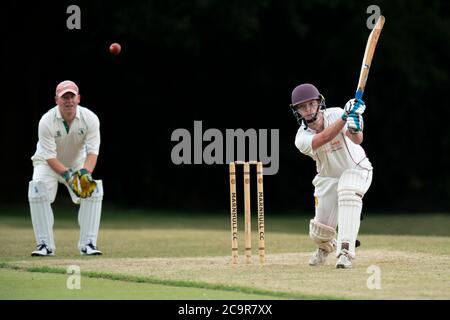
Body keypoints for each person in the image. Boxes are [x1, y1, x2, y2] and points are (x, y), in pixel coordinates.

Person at [290, 83, 373, 269]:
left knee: (348, 190)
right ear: (297, 111)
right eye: (303, 107)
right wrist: (345, 117)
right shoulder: (301, 138)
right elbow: (324, 138)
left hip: (357, 169)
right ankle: (325, 247)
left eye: (312, 103)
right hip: (327, 178)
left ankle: (345, 253)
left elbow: (358, 139)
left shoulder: (336, 114)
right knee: (319, 233)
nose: (309, 109)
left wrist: (354, 124)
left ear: (320, 103)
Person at [28, 80, 103, 256]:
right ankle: (45, 245)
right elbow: (49, 156)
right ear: (57, 100)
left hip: (77, 162)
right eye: (64, 97)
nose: (68, 101)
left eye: (71, 96)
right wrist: (67, 175)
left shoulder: (90, 118)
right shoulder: (46, 121)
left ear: (78, 99)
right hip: (47, 163)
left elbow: (93, 152)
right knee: (37, 188)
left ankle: (88, 244)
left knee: (92, 190)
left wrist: (84, 173)